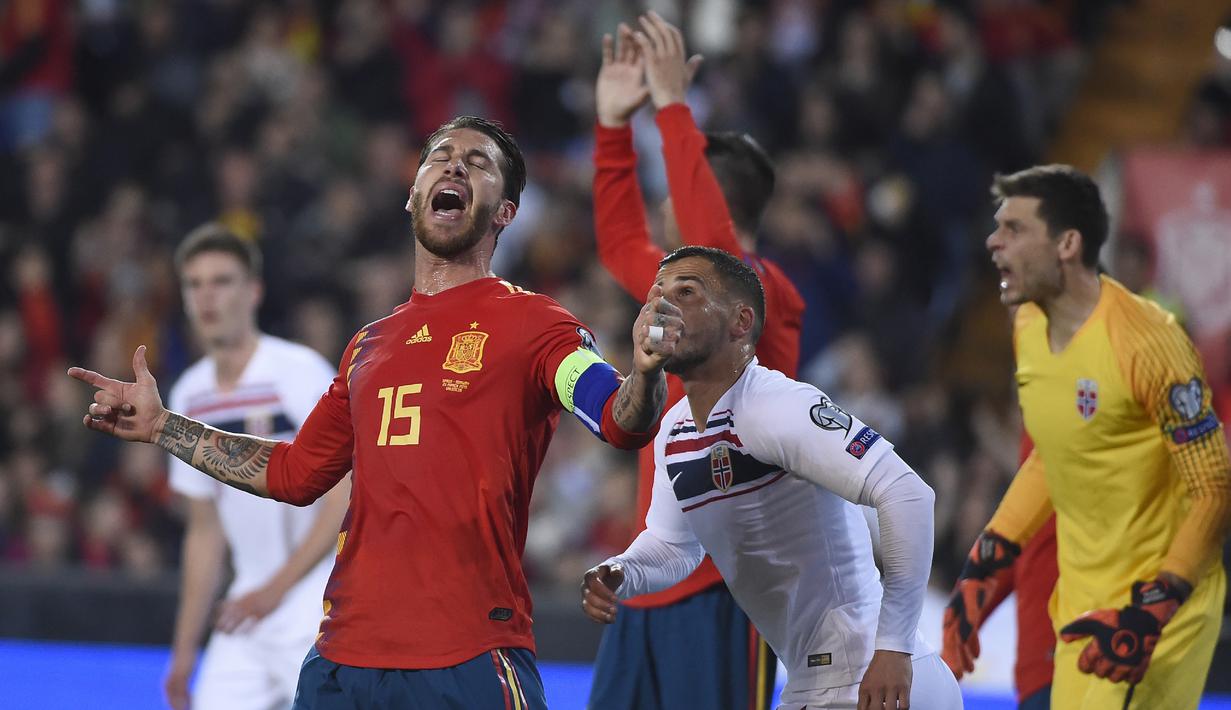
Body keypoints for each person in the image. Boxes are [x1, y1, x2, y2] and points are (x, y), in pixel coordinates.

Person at [69, 116, 676, 709]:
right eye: (439, 156)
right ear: (412, 197)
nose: (455, 165)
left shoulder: (538, 324)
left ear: (505, 212)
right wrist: (162, 425)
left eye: (478, 162)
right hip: (343, 664)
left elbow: (620, 419)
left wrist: (646, 372)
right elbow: (294, 474)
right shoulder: (368, 346)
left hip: (466, 657)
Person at [582, 246, 962, 710]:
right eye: (657, 294)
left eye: (687, 292)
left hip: (871, 677)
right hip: (815, 680)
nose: (663, 306)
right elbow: (672, 547)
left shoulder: (777, 405)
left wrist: (895, 645)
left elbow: (908, 493)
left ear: (741, 323)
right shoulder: (674, 430)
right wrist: (621, 572)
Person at [944, 165, 1230, 709]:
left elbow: (1214, 488)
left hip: (1150, 620)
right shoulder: (1028, 327)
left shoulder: (1149, 343)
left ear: (1068, 245)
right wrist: (985, 564)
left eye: (1015, 229)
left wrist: (1157, 605)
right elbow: (1054, 457)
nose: (993, 241)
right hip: (1078, 612)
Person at [590, 13, 805, 709]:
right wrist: (612, 124)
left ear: (702, 199)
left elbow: (712, 247)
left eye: (675, 189)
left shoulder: (763, 296)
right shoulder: (680, 290)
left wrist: (673, 108)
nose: (658, 208)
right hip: (650, 577)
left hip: (726, 583)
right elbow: (620, 241)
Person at [163, 225, 351, 710]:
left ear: (254, 292)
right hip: (247, 605)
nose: (207, 296)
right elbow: (205, 531)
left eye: (222, 281)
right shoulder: (188, 395)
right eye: (195, 284)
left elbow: (344, 494)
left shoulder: (298, 372)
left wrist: (277, 589)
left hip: (319, 598)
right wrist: (184, 651)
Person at [942, 432, 1057, 710]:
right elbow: (1027, 534)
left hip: (1095, 648)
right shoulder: (1039, 409)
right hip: (1040, 660)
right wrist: (976, 587)